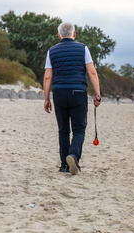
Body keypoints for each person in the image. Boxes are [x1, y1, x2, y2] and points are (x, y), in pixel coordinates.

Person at [43, 22, 102, 175]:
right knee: (79, 129)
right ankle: (74, 156)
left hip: (59, 93)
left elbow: (48, 76)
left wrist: (46, 99)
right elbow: (92, 72)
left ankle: (64, 165)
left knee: (63, 130)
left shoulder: (52, 51)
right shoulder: (83, 48)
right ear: (74, 34)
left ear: (59, 35)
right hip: (78, 92)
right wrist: (97, 94)